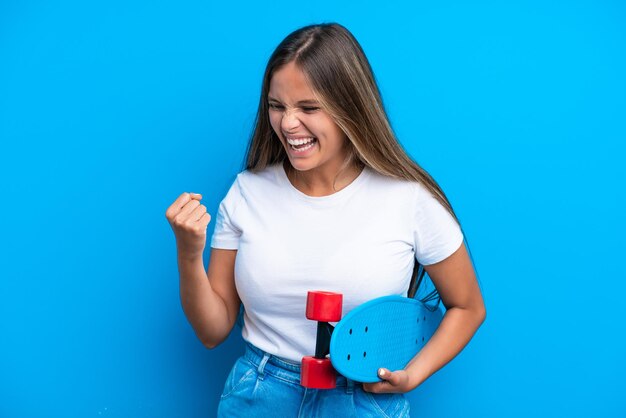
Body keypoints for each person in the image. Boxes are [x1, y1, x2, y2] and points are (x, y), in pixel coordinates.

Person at [165, 22, 486, 417]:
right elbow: (212, 331)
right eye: (277, 106)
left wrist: (413, 374)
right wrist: (188, 252)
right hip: (259, 395)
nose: (287, 124)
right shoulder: (247, 193)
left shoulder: (408, 200)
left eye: (309, 108)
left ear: (349, 108)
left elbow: (468, 307)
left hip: (362, 399)